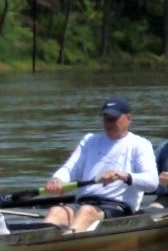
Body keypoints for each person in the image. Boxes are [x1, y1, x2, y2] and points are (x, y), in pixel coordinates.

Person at [43, 97, 159, 232]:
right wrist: (58, 180)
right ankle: (40, 245)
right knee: (56, 211)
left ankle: (67, 245)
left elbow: (152, 182)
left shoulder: (140, 144)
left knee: (86, 212)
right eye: (105, 118)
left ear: (129, 118)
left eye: (113, 119)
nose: (108, 123)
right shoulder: (89, 140)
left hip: (117, 206)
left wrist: (124, 176)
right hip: (84, 202)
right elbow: (70, 168)